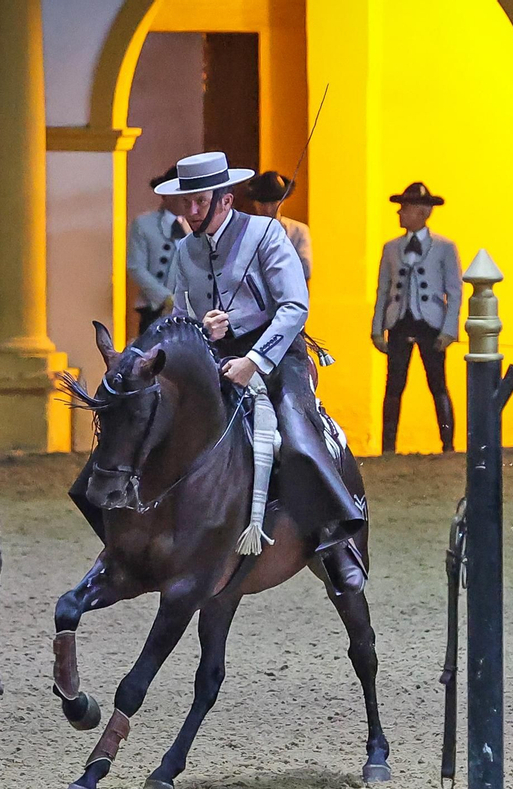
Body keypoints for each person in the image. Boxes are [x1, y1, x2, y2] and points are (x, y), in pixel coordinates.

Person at [156, 151, 365, 590]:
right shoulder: (183, 250)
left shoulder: (267, 234)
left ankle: (334, 538)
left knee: (295, 432)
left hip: (276, 356)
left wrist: (254, 361)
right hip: (216, 357)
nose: (191, 212)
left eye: (200, 202)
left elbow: (295, 306)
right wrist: (200, 326)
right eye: (186, 202)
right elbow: (178, 315)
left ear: (226, 201)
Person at [371, 182, 462, 454]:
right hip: (399, 321)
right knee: (394, 385)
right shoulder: (391, 248)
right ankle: (388, 447)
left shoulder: (444, 247)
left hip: (430, 323)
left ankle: (448, 445)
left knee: (438, 384)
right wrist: (377, 328)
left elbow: (455, 291)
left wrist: (449, 330)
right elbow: (383, 289)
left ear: (422, 213)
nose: (400, 214)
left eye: (406, 209)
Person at [126, 166, 192, 333]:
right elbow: (135, 266)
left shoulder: (197, 225)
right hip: (154, 308)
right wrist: (164, 297)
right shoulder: (144, 224)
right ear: (165, 195)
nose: (185, 199)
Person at [245, 171, 312, 282]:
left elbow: (306, 270)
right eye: (262, 204)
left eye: (273, 203)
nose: (267, 209)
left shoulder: (299, 231)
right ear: (255, 203)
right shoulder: (245, 231)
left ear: (282, 202)